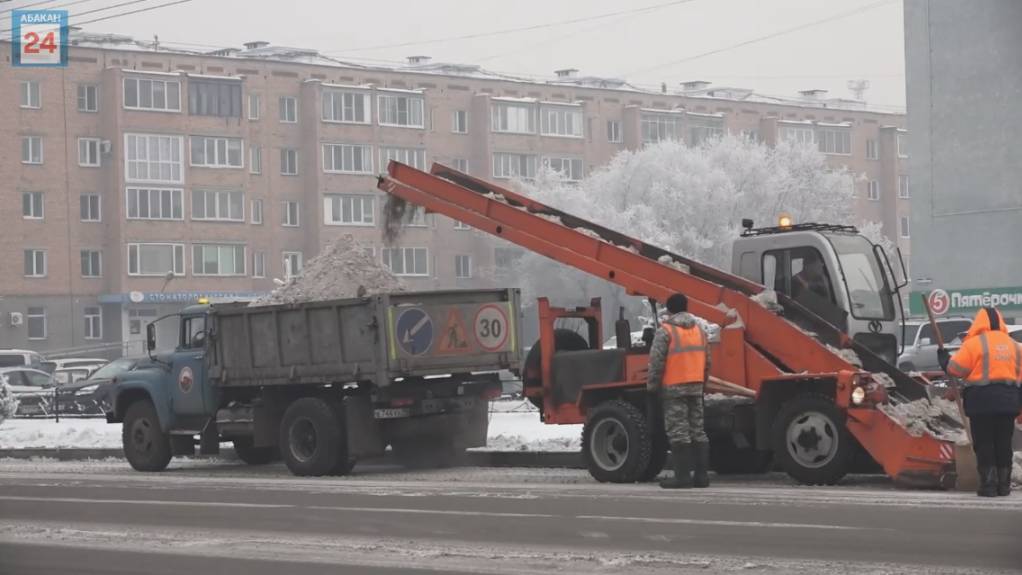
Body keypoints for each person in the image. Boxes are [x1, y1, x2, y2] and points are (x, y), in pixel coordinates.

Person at [938, 306, 1021, 497]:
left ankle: (989, 485)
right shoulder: (1015, 345)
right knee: (1003, 443)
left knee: (984, 443)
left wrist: (944, 360)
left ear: (979, 322)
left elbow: (956, 370)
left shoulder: (974, 344)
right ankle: (1004, 485)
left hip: (982, 403)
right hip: (1008, 402)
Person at [647, 293, 711, 489]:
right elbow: (707, 361)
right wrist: (703, 383)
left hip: (674, 388)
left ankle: (682, 477)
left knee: (678, 432)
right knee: (697, 431)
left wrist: (652, 386)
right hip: (696, 385)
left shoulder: (666, 331)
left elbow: (656, 362)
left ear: (670, 309)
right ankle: (702, 477)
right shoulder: (699, 330)